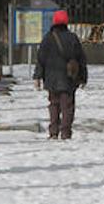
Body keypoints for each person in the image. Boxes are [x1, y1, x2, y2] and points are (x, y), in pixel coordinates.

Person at [33, 9, 88, 139]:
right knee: (67, 106)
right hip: (68, 79)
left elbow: (41, 59)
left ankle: (53, 132)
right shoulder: (72, 38)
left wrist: (37, 76)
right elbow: (81, 59)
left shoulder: (48, 38)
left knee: (53, 104)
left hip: (51, 79)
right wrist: (83, 78)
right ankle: (65, 132)